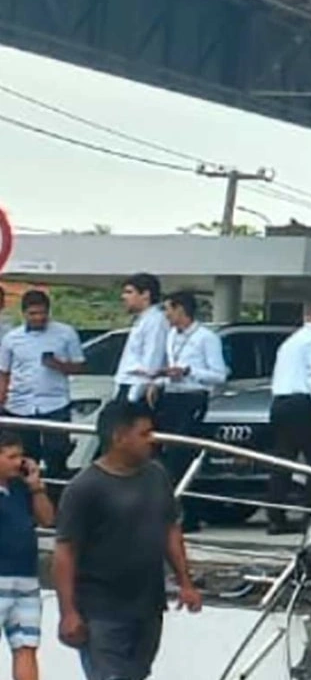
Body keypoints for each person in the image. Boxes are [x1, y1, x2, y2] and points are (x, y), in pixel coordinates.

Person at [53, 400, 202, 680]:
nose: (152, 441)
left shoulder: (157, 475)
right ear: (119, 437)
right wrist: (68, 611)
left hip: (147, 603)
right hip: (101, 608)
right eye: (144, 434)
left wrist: (186, 582)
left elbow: (171, 529)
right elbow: (65, 551)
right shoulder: (84, 487)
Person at [148, 291, 228, 533]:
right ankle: (172, 509)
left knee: (182, 454)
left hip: (193, 397)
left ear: (181, 310)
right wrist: (159, 381)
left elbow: (219, 374)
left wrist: (189, 371)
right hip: (171, 396)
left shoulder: (206, 338)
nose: (166, 315)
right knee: (163, 453)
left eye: (169, 310)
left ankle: (189, 513)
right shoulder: (172, 335)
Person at [267, 299, 311, 534]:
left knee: (283, 460)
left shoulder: (291, 341)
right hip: (302, 402)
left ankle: (275, 516)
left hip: (280, 401)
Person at [0, 290, 85, 477]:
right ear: (24, 314)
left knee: (57, 453)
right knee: (24, 459)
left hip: (55, 403)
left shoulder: (65, 333)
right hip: (20, 405)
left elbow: (80, 367)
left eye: (42, 313)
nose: (38, 318)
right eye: (33, 314)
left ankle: (54, 494)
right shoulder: (11, 338)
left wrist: (58, 365)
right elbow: (4, 373)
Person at [0, 433, 55, 680]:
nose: (17, 462)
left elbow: (47, 519)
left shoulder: (21, 488)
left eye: (20, 456)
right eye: (11, 457)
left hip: (26, 578)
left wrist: (36, 485)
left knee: (26, 645)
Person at [113, 273, 168, 404]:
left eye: (129, 292)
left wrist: (135, 395)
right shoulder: (142, 320)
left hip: (135, 387)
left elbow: (152, 358)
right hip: (127, 383)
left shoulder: (156, 321)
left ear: (145, 295)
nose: (124, 297)